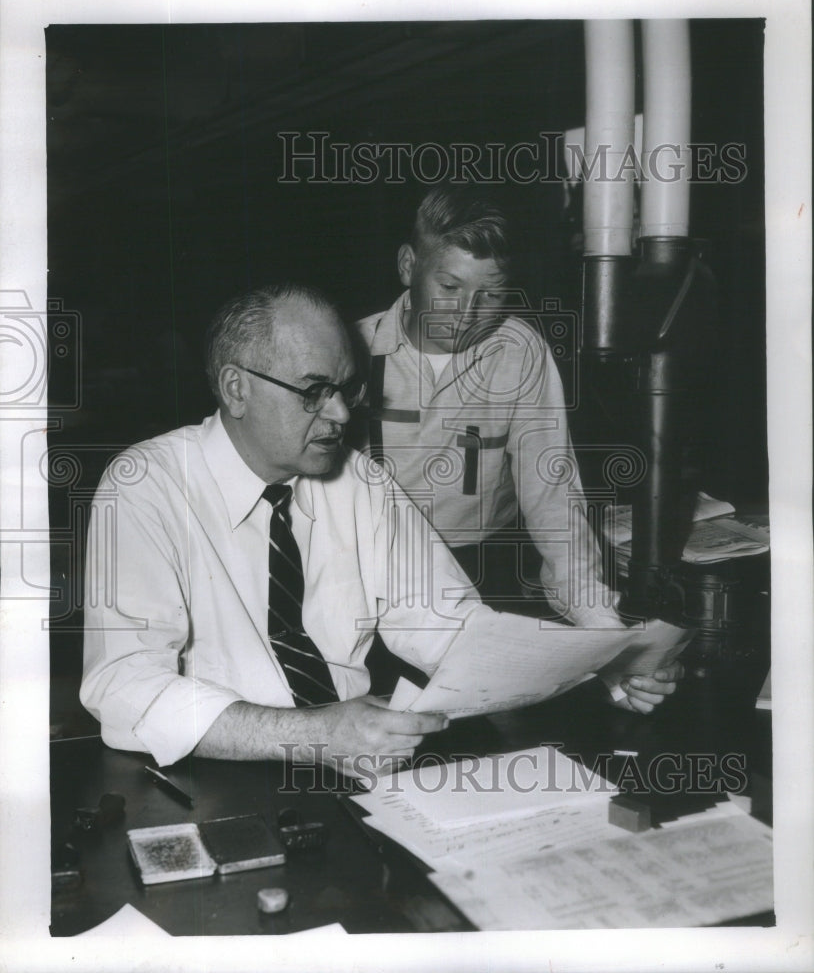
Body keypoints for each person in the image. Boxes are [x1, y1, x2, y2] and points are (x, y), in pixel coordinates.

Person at [80, 283, 680, 775]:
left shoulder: (361, 483)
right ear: (236, 388)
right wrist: (311, 733)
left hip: (357, 767)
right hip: (216, 771)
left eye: (346, 390)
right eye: (314, 392)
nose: (340, 414)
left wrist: (602, 663)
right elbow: (122, 682)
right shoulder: (145, 485)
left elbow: (457, 630)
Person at [355, 186, 622, 629]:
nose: (467, 313)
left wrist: (600, 623)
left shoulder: (520, 353)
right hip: (368, 572)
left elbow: (553, 497)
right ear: (408, 266)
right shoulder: (351, 349)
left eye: (492, 295)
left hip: (483, 572)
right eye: (449, 286)